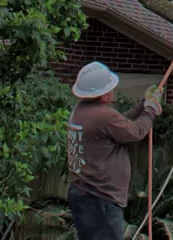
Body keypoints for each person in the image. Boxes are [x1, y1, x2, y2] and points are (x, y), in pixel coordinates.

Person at [66, 61, 163, 239]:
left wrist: (143, 104)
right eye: (110, 87)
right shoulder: (103, 115)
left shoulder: (81, 110)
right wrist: (150, 111)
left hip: (85, 195)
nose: (113, 90)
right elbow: (135, 131)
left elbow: (119, 124)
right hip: (100, 200)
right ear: (103, 95)